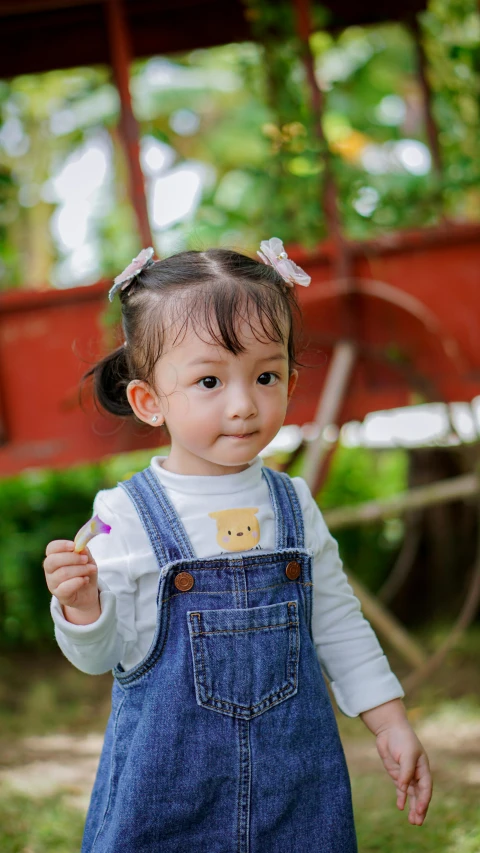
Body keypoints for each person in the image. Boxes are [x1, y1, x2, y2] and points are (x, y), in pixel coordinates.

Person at [43, 240, 432, 853]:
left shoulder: (293, 504)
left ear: (291, 380)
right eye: (208, 380)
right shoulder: (125, 516)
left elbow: (337, 623)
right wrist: (85, 609)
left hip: (296, 792)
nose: (244, 404)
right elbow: (102, 657)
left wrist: (389, 721)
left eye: (266, 375)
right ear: (149, 401)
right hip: (165, 794)